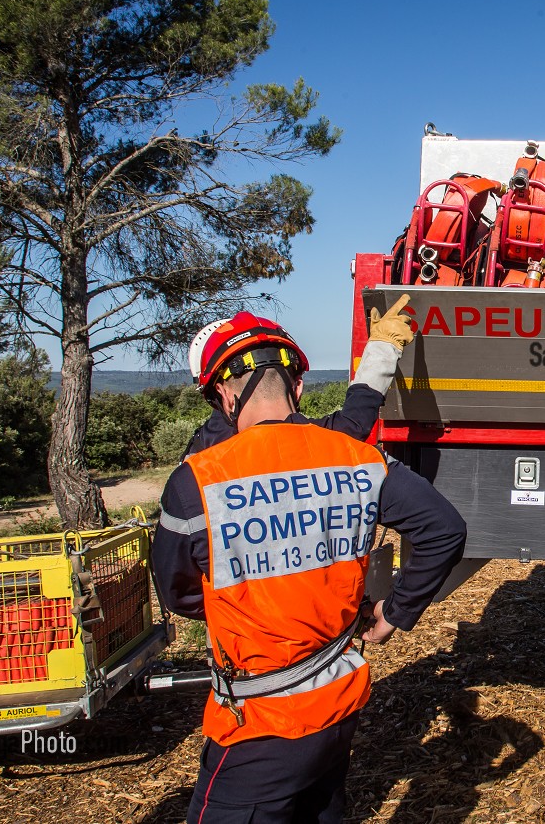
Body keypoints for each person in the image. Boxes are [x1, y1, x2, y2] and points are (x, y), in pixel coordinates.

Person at [152, 308, 466, 824]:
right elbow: (444, 528)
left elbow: (178, 595)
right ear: (298, 388)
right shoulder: (352, 458)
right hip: (339, 702)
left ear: (226, 397)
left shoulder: (196, 481)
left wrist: (247, 602)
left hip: (259, 725)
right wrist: (393, 613)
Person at [181, 297, 412, 456]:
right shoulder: (300, 441)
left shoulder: (199, 462)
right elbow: (351, 426)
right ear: (297, 386)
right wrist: (383, 348)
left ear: (220, 393)